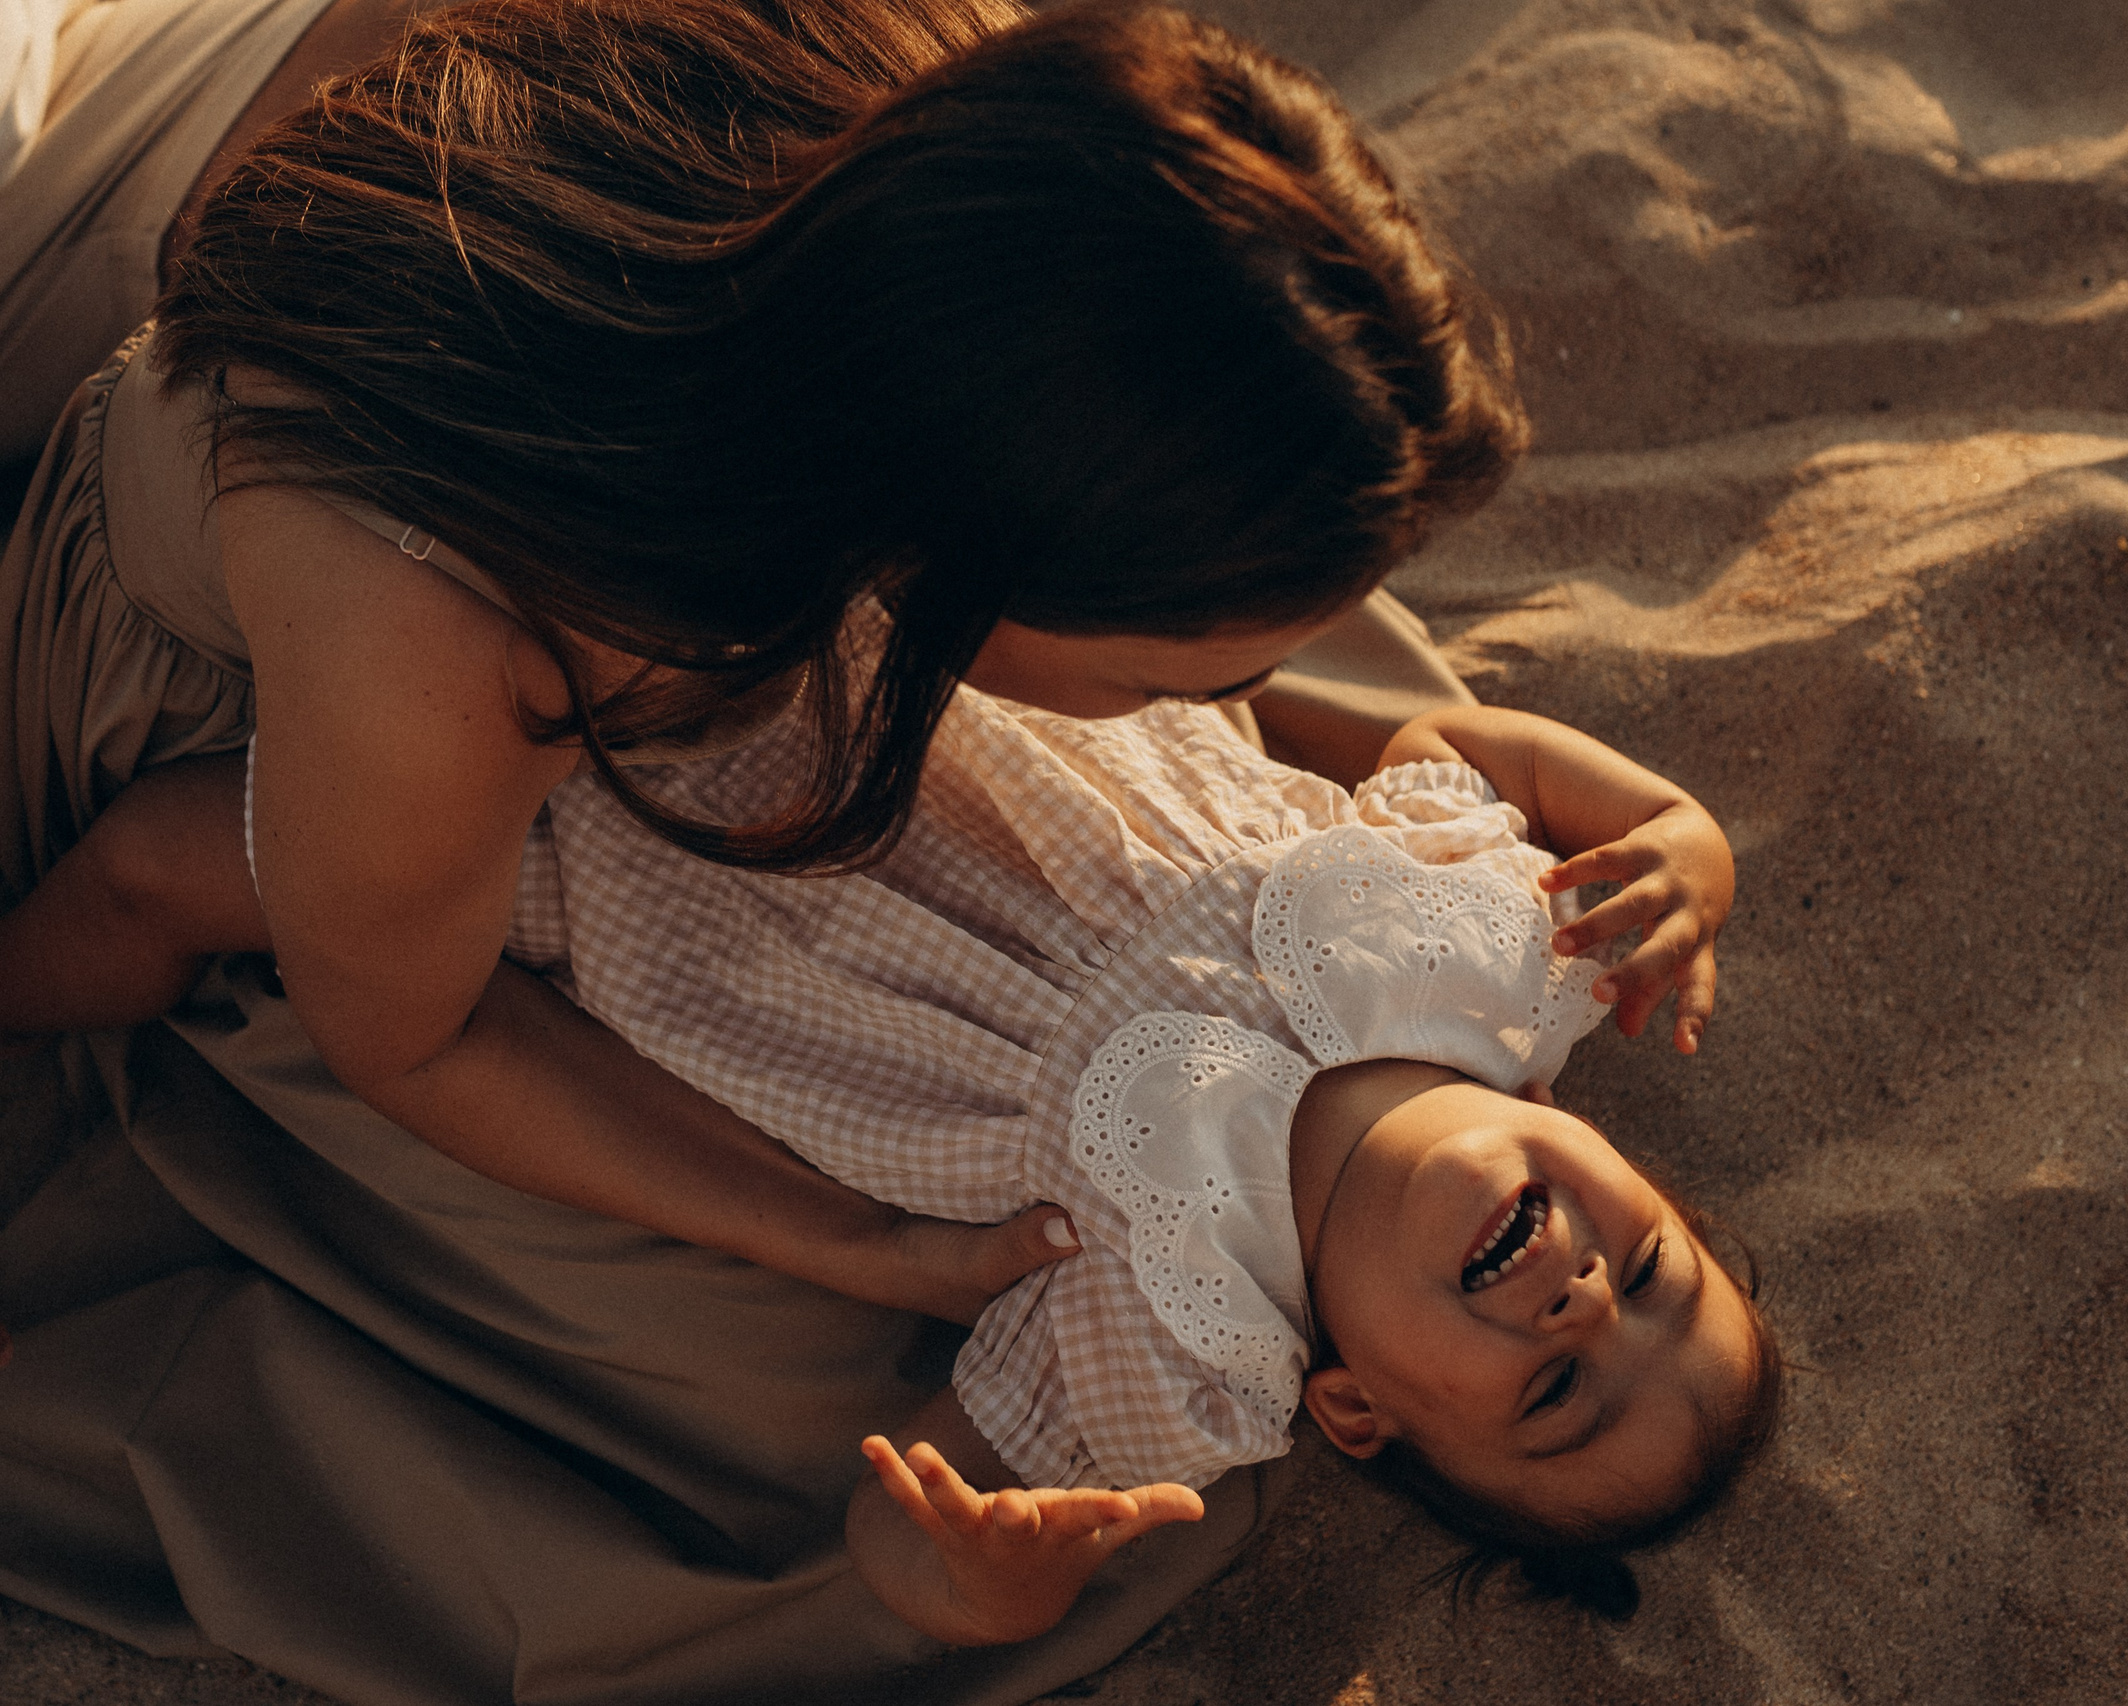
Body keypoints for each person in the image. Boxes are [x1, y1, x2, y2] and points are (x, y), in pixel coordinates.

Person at [0, 0, 1527, 1697]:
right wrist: (837, 1238)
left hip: (469, 389)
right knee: (766, 1402)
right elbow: (414, 1032)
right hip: (234, 690)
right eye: (1198, 664)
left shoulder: (935, 105)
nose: (1231, 698)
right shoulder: (469, 639)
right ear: (961, 545)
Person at [2, 674, 1779, 1643]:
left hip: (652, 890)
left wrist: (979, 1577)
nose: (1574, 1298)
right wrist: (1677, 831)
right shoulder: (1525, 950)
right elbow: (1441, 739)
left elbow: (909, 1508)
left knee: (177, 862)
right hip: (896, 648)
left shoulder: (1184, 1357)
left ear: (1359, 1412)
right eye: (1648, 1275)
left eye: (1552, 1390)